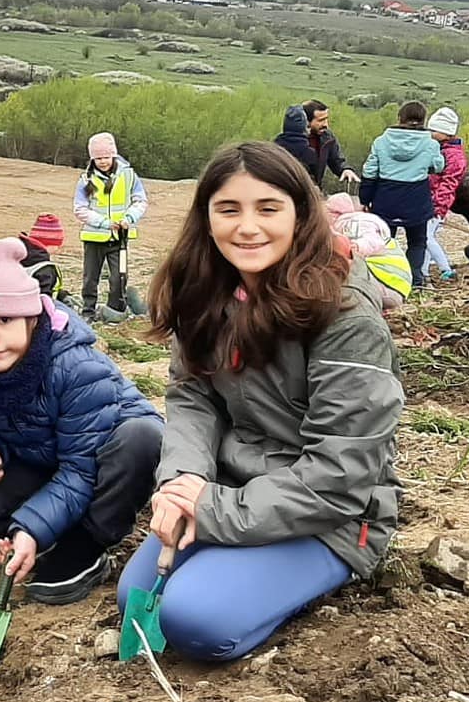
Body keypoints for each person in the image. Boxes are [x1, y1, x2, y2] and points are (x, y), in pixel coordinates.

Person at [116, 142, 401, 662]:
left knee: (193, 619)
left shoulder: (347, 318)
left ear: (301, 214)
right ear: (206, 219)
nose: (248, 227)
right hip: (233, 489)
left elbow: (340, 476)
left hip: (336, 514)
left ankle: (305, 581)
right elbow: (192, 394)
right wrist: (183, 481)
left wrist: (212, 511)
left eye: (268, 208)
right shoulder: (205, 291)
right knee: (132, 599)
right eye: (229, 209)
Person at [0, 230, 165, 604]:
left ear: (32, 318)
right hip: (42, 458)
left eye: (5, 320)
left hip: (100, 459)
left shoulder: (75, 366)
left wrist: (30, 528)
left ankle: (88, 541)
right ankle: (50, 527)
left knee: (142, 439)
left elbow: (81, 468)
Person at [360, 101, 444, 290]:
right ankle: (415, 282)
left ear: (399, 118)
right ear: (424, 120)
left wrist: (365, 199)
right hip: (417, 200)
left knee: (385, 243)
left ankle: (385, 281)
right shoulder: (430, 144)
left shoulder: (381, 141)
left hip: (386, 199)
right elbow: (438, 167)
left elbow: (369, 172)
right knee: (417, 242)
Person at [73, 132, 148, 322]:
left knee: (119, 276)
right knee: (91, 278)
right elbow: (79, 208)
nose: (103, 161)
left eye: (106, 157)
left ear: (113, 155)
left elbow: (140, 201)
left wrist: (129, 217)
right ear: (92, 159)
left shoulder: (129, 176)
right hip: (94, 238)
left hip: (120, 238)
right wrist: (104, 223)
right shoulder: (86, 179)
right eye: (98, 158)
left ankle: (116, 309)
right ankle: (88, 312)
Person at [424, 107, 467, 283]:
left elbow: (448, 184)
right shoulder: (438, 150)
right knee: (427, 238)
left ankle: (445, 268)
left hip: (437, 204)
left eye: (434, 131)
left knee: (425, 237)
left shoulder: (454, 157)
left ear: (447, 133)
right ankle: (423, 271)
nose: (430, 134)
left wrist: (438, 206)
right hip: (430, 200)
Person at [276, 101, 357, 191]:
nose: (326, 125)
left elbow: (336, 159)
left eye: (326, 119)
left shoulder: (327, 137)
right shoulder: (290, 142)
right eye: (321, 120)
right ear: (306, 121)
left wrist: (345, 169)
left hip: (315, 192)